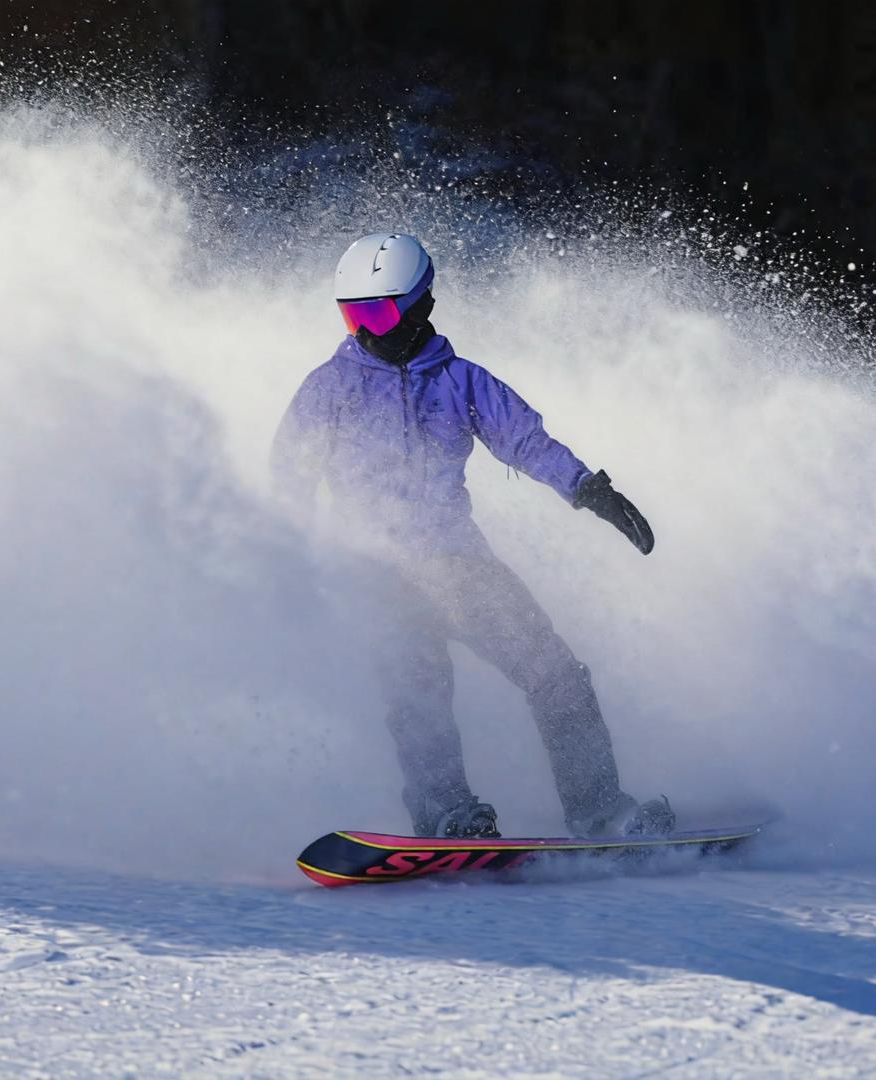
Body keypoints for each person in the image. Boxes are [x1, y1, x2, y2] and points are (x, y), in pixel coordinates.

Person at [271, 233, 674, 840]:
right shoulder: (329, 388)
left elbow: (527, 442)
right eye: (353, 314)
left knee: (557, 676)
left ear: (419, 305)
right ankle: (450, 817)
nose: (364, 329)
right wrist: (291, 559)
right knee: (419, 698)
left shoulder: (462, 381)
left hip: (459, 566)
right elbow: (290, 476)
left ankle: (601, 812)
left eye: (377, 313)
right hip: (375, 573)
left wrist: (591, 491)